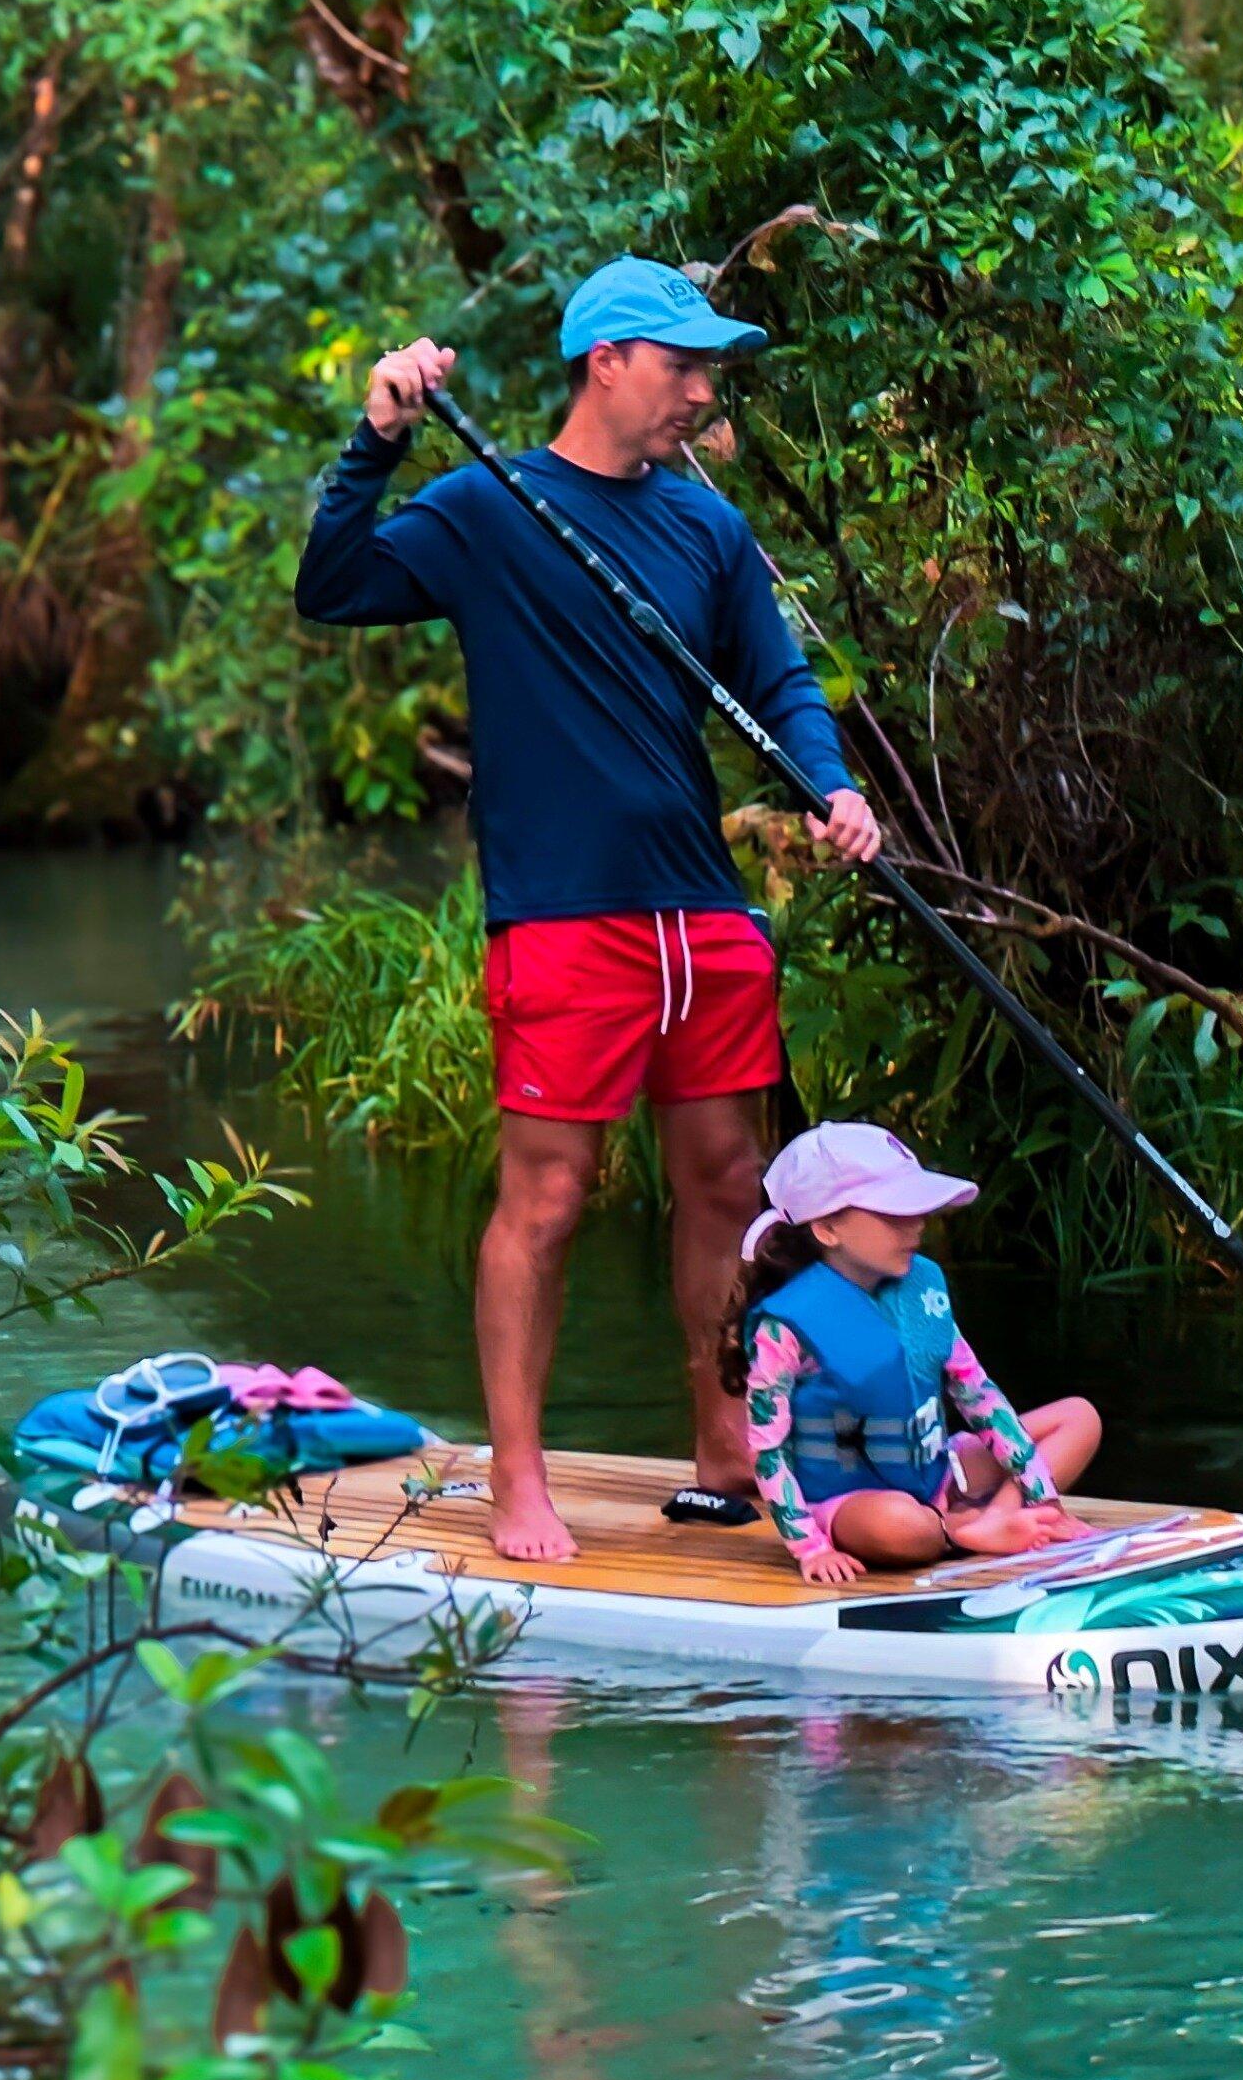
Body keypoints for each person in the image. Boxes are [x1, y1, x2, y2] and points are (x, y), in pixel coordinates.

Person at [293, 256, 885, 1560]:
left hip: (702, 918)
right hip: (566, 919)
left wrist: (829, 786)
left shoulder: (705, 530)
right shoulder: (491, 510)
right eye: (684, 366)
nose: (703, 392)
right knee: (549, 1200)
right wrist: (378, 437)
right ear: (607, 361)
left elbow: (779, 684)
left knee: (728, 1185)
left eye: (709, 369)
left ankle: (728, 1446)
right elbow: (331, 586)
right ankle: (517, 1476)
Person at [722, 1123, 1101, 1581]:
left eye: (918, 1210)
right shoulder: (784, 1329)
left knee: (1080, 1417)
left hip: (939, 1472)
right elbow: (767, 1451)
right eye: (894, 1214)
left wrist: (1041, 1495)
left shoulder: (921, 1290)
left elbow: (978, 1396)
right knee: (899, 1528)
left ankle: (1005, 1518)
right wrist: (811, 1548)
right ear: (826, 1228)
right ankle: (964, 1531)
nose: (917, 1225)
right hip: (855, 1504)